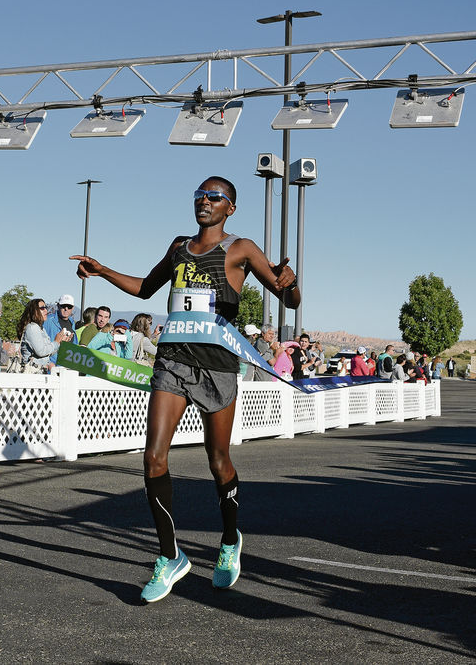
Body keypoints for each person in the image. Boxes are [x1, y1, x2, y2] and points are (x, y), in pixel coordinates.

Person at [71, 175, 299, 603]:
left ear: (230, 207)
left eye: (215, 197)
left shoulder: (241, 248)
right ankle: (169, 555)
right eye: (200, 195)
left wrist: (291, 282)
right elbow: (145, 288)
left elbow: (289, 298)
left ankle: (230, 540)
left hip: (217, 366)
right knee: (153, 456)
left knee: (218, 461)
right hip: (172, 361)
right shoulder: (178, 246)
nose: (205, 201)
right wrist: (102, 271)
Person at [20, 299, 72, 371]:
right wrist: (56, 342)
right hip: (31, 374)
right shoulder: (32, 328)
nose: (46, 311)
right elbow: (41, 352)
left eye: (46, 308)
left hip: (40, 372)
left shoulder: (41, 328)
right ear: (34, 311)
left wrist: (60, 342)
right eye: (42, 308)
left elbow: (47, 352)